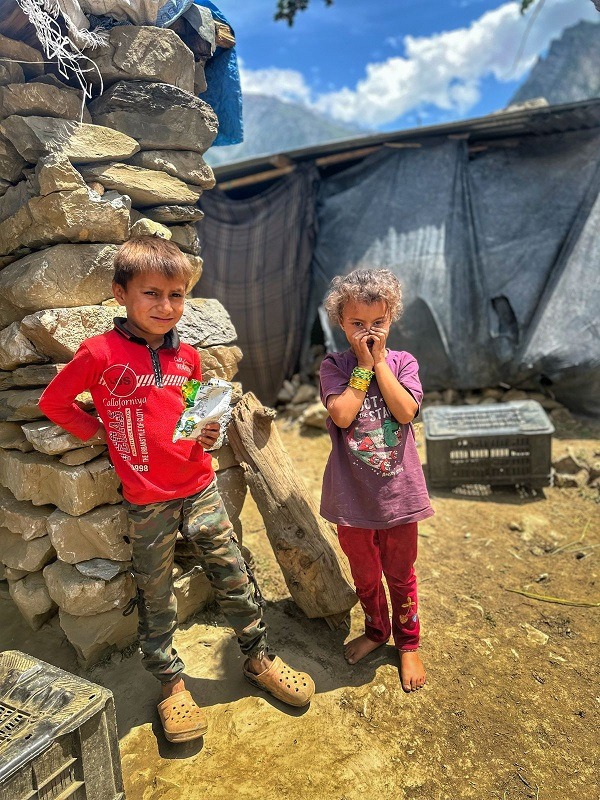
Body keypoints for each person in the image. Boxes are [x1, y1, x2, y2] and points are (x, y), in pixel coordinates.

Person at [39, 236, 314, 743]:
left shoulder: (188, 356)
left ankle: (259, 658)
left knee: (233, 569)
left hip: (199, 486)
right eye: (152, 294)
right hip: (147, 500)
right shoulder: (99, 353)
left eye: (176, 295)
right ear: (120, 294)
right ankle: (171, 686)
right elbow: (55, 403)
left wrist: (205, 432)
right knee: (155, 589)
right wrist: (102, 432)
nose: (166, 307)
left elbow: (192, 421)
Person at [318, 268, 434, 693]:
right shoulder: (333, 366)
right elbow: (344, 414)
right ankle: (375, 629)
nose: (368, 332)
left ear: (391, 319)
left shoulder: (404, 363)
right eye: (357, 324)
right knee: (365, 574)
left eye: (378, 323)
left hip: (399, 496)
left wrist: (380, 362)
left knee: (400, 573)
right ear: (341, 322)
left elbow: (405, 411)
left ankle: (408, 643)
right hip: (351, 500)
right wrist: (363, 367)